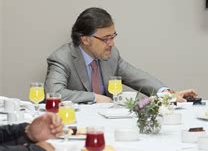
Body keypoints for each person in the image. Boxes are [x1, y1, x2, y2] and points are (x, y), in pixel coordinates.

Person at [45, 7, 198, 103]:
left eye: (113, 36)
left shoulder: (111, 55)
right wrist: (94, 97)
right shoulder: (62, 58)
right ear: (85, 39)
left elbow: (137, 76)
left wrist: (166, 94)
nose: (111, 43)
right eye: (106, 39)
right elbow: (53, 93)